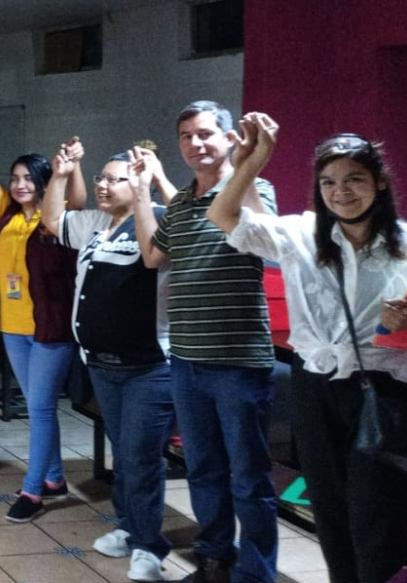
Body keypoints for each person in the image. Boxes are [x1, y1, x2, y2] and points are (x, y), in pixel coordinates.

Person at [208, 117, 407, 583]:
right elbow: (224, 217)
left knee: (378, 517)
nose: (341, 191)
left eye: (354, 180)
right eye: (329, 182)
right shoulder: (302, 235)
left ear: (380, 183)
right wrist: (252, 164)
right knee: (330, 510)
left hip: (385, 393)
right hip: (314, 385)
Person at [132, 101, 278, 583]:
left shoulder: (257, 188)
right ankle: (214, 558)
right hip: (187, 359)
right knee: (203, 470)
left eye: (205, 134)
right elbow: (153, 257)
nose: (195, 144)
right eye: (186, 137)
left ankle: (256, 575)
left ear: (228, 138)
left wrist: (248, 167)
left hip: (237, 361)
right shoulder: (179, 202)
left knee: (249, 479)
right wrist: (141, 193)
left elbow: (268, 242)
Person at [41, 146, 177, 580]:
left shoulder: (156, 217)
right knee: (124, 452)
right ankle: (128, 527)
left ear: (139, 180)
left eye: (114, 178)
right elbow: (51, 220)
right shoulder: (97, 223)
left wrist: (144, 195)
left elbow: (159, 255)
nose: (102, 183)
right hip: (102, 362)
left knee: (141, 457)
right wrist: (60, 176)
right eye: (100, 177)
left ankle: (149, 546)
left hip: (148, 365)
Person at [0, 108, 85, 519]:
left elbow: (79, 200)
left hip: (50, 329)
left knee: (41, 409)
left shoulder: (55, 220)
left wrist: (74, 166)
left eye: (29, 178)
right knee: (38, 403)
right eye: (15, 178)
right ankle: (55, 478)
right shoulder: (7, 212)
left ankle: (32, 493)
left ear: (45, 182)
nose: (20, 184)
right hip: (13, 327)